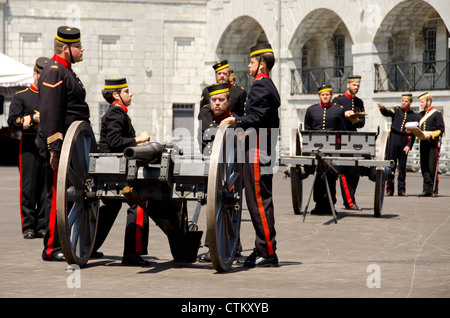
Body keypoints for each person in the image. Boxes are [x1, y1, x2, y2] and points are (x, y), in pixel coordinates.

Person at [220, 43, 280, 267]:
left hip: (257, 150)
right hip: (260, 147)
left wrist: (235, 120)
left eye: (252, 62)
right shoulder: (265, 84)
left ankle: (268, 252)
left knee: (258, 202)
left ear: (261, 64)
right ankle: (262, 246)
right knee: (261, 201)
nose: (248, 66)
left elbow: (258, 117)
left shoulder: (260, 86)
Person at [37, 26, 90, 261]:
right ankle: (51, 247)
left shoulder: (66, 71)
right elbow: (51, 112)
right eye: (78, 46)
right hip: (61, 146)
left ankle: (69, 240)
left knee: (68, 195)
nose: (82, 49)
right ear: (66, 49)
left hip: (73, 145)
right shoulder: (54, 71)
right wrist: (54, 148)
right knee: (57, 195)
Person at [94, 78, 151, 266]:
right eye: (127, 91)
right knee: (139, 201)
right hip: (115, 171)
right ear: (116, 95)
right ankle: (132, 254)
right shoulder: (116, 114)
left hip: (112, 168)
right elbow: (115, 142)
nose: (131, 94)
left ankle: (91, 245)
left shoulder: (118, 113)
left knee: (111, 207)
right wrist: (137, 139)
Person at [7, 57, 49, 239]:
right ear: (35, 74)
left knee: (45, 188)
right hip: (30, 145)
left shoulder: (51, 97)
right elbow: (12, 121)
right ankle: (29, 226)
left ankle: (42, 225)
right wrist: (32, 119)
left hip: (47, 144)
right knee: (29, 186)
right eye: (42, 75)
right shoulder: (22, 96)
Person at [304, 84, 346, 213]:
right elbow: (307, 131)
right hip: (316, 147)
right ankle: (318, 205)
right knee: (318, 177)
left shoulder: (338, 110)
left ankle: (330, 204)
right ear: (319, 96)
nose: (325, 97)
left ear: (331, 95)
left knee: (331, 176)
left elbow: (343, 130)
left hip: (333, 149)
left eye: (327, 94)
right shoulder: (311, 110)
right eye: (323, 95)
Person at [332, 75, 365, 211]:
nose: (356, 88)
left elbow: (362, 123)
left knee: (355, 170)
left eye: (358, 86)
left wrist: (357, 121)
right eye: (354, 85)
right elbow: (332, 116)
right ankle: (349, 202)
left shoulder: (359, 102)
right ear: (348, 85)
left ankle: (351, 198)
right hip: (341, 137)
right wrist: (343, 113)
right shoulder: (338, 100)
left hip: (354, 137)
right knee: (344, 170)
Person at [378, 94, 416, 196]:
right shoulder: (396, 110)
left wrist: (409, 145)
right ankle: (389, 189)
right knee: (391, 165)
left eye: (406, 101)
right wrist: (382, 108)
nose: (403, 103)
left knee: (402, 167)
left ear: (410, 103)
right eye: (402, 101)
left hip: (404, 141)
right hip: (394, 139)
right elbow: (387, 113)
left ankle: (401, 190)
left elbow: (413, 134)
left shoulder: (413, 115)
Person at [415, 92, 445, 196]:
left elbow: (441, 129)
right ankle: (426, 189)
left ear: (429, 101)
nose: (421, 104)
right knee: (424, 166)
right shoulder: (420, 115)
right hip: (423, 142)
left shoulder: (436, 114)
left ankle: (433, 189)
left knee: (432, 166)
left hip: (432, 142)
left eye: (422, 102)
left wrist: (431, 136)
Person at [198, 82, 237, 155]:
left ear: (229, 101)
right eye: (213, 100)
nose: (217, 103)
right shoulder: (204, 114)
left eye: (221, 100)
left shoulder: (234, 121)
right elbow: (201, 137)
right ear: (209, 100)